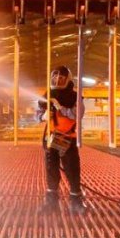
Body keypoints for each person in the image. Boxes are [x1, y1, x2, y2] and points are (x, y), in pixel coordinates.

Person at [37, 65, 85, 213]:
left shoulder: (74, 97)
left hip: (67, 138)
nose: (58, 80)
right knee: (51, 170)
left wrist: (60, 108)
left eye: (61, 78)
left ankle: (76, 203)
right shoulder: (47, 95)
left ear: (67, 79)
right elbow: (37, 114)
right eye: (55, 77)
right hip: (51, 138)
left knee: (72, 170)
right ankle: (51, 203)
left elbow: (77, 115)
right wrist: (43, 116)